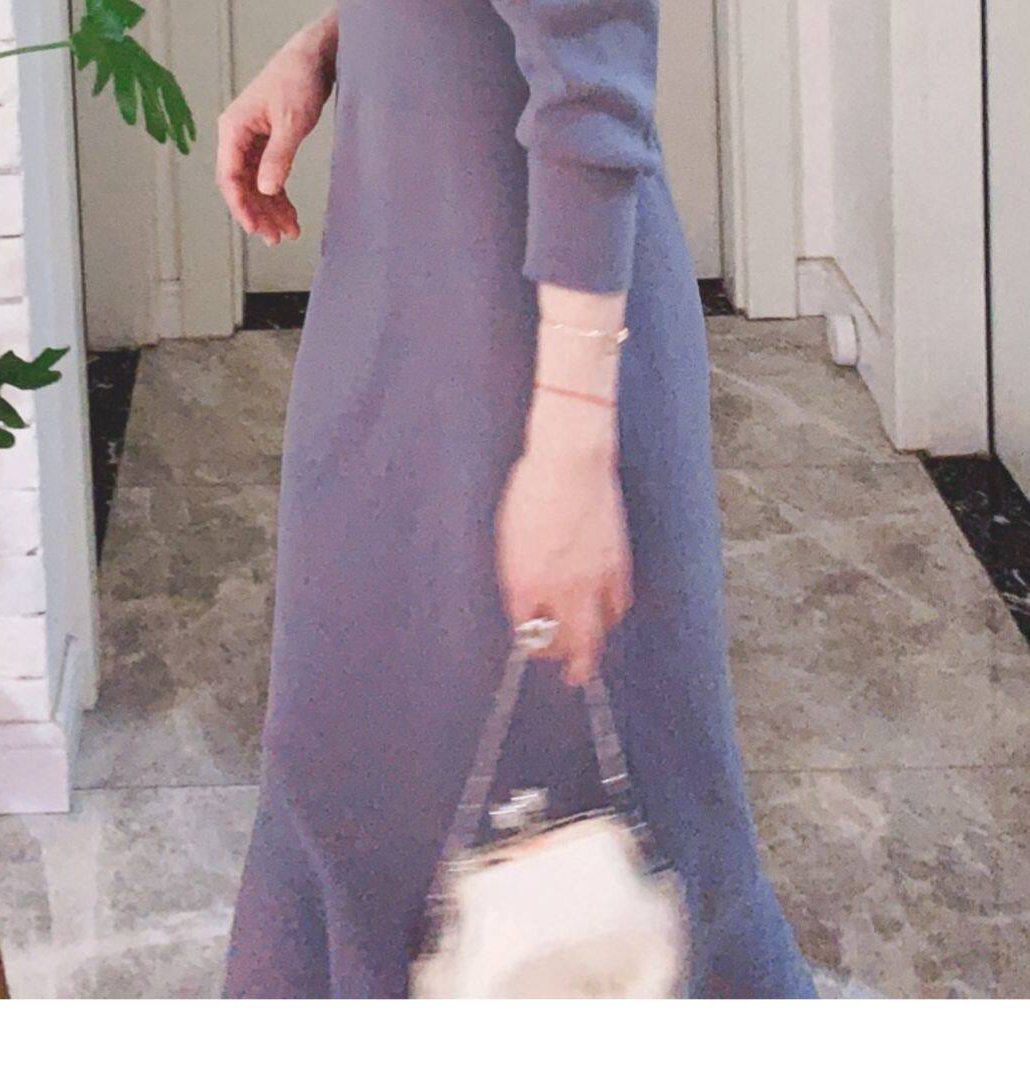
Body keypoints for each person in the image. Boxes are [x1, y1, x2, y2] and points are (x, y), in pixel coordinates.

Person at [215, 1, 816, 998]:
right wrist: (331, 43)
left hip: (519, 373)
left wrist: (570, 451)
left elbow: (592, 79)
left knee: (594, 853)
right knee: (343, 798)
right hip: (403, 329)